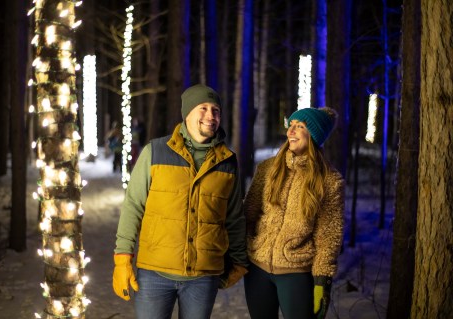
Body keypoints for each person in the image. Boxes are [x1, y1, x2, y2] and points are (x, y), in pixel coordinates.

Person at [112, 84, 249, 319]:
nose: (210, 116)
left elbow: (234, 216)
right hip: (154, 273)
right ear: (187, 113)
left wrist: (239, 259)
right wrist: (123, 256)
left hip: (203, 276)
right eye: (203, 108)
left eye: (216, 110)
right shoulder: (155, 152)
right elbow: (133, 205)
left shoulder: (228, 162)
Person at [243, 107, 345, 319]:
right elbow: (249, 213)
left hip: (296, 272)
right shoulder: (267, 168)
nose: (291, 131)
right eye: (291, 126)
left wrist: (322, 280)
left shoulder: (329, 181)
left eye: (300, 127)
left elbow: (328, 236)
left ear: (314, 135)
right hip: (257, 268)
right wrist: (240, 251)